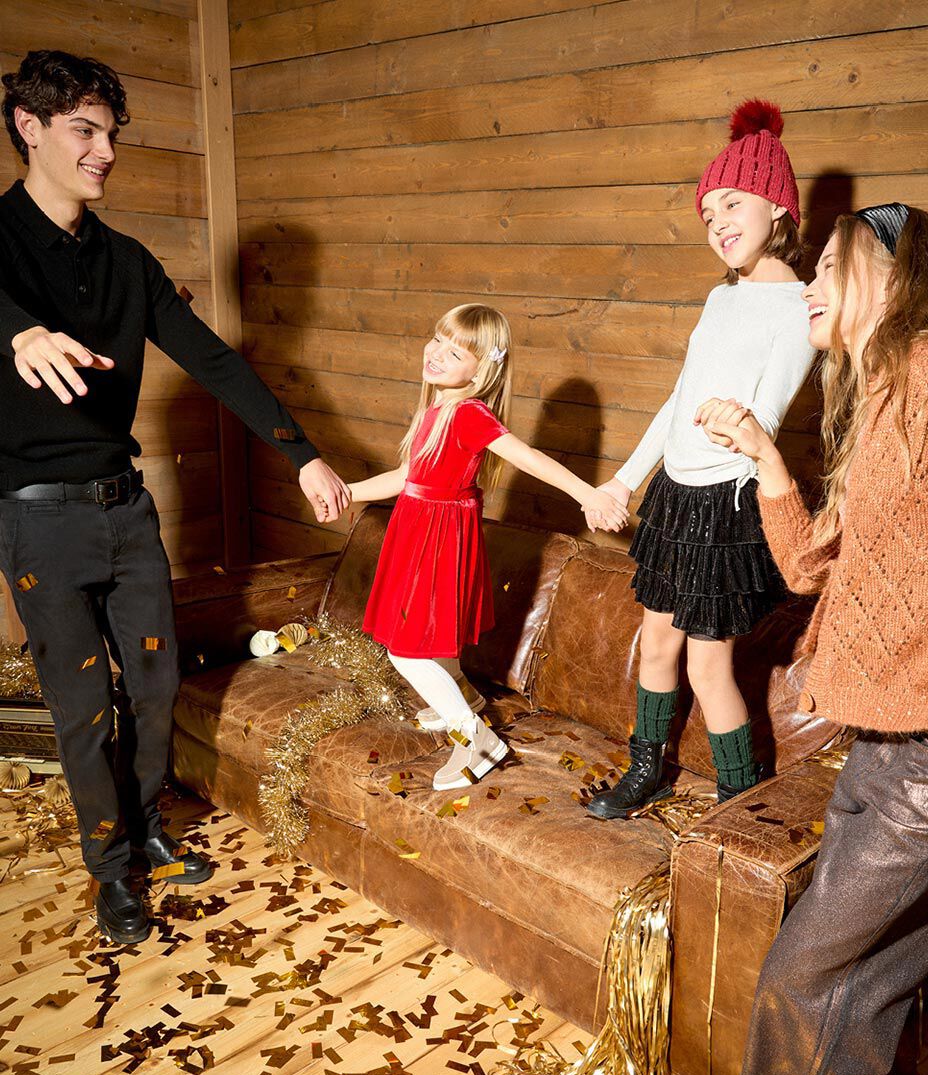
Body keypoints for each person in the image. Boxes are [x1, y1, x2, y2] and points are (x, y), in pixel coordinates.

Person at [0, 50, 350, 946]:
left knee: (155, 686)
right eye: (84, 131)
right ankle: (108, 868)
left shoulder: (128, 261)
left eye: (111, 134)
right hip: (37, 519)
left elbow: (215, 360)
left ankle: (148, 824)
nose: (105, 152)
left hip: (126, 511)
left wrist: (303, 456)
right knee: (83, 707)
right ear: (28, 128)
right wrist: (20, 332)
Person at [702, 204, 928, 1075]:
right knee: (874, 971)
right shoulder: (879, 395)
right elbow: (812, 565)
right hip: (881, 738)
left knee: (805, 968)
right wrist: (767, 455)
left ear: (893, 274)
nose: (808, 283)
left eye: (830, 265)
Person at [583, 100, 815, 819]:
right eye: (708, 212)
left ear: (778, 207)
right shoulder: (720, 299)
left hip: (727, 503)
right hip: (674, 496)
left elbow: (766, 418)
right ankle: (646, 769)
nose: (717, 223)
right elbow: (678, 399)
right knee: (656, 643)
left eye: (732, 203)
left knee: (707, 664)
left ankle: (739, 802)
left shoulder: (799, 308)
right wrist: (626, 479)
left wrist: (736, 424)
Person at [343, 303, 628, 789]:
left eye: (455, 353)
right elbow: (406, 477)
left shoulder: (469, 414)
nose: (437, 354)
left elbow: (529, 458)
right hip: (416, 533)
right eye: (438, 340)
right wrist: (345, 493)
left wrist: (589, 495)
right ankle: (462, 695)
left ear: (482, 371)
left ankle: (475, 739)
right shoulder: (437, 408)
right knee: (427, 634)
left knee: (406, 652)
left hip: (438, 541)